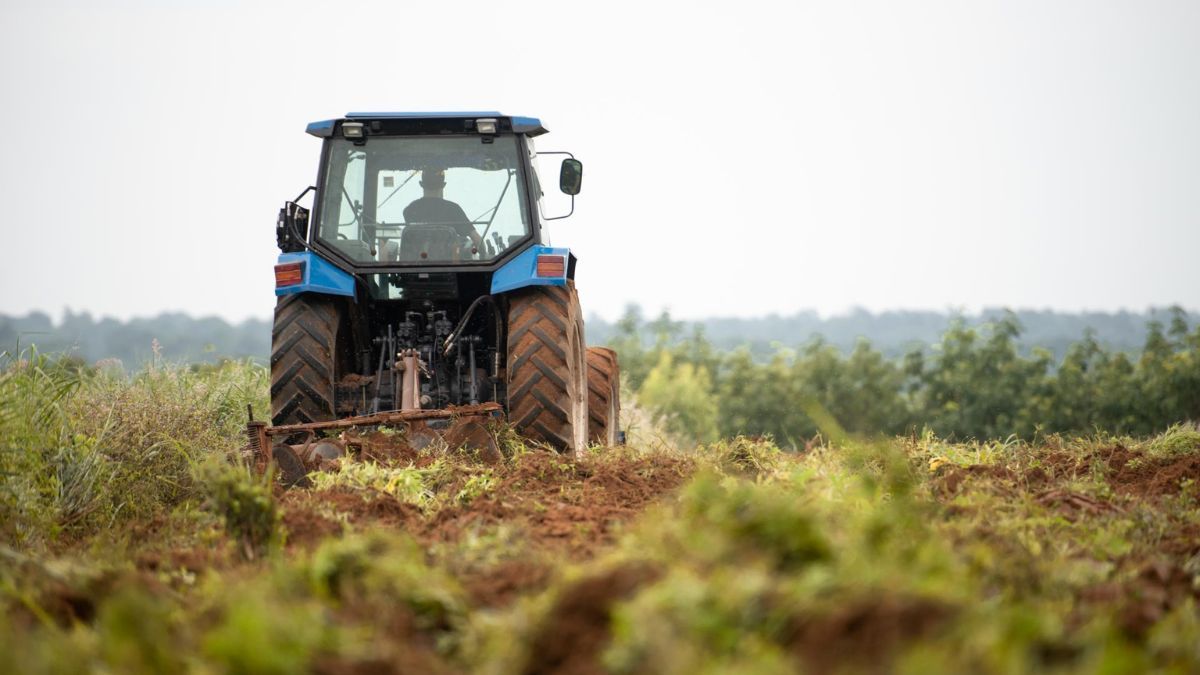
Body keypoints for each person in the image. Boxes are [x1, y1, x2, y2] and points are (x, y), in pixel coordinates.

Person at [403, 168, 483, 251]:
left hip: (418, 258)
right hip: (449, 259)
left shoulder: (409, 210)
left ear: (421, 184)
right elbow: (477, 240)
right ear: (444, 185)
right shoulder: (453, 209)